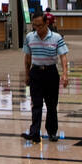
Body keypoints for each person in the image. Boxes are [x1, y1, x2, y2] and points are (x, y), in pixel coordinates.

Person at [21, 13, 70, 143]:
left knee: (51, 105)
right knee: (36, 104)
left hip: (51, 73)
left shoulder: (56, 38)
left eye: (40, 25)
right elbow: (27, 57)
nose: (37, 28)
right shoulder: (29, 37)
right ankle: (34, 132)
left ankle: (52, 132)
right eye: (34, 25)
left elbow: (63, 57)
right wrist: (27, 74)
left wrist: (65, 74)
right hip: (36, 73)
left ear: (46, 23)